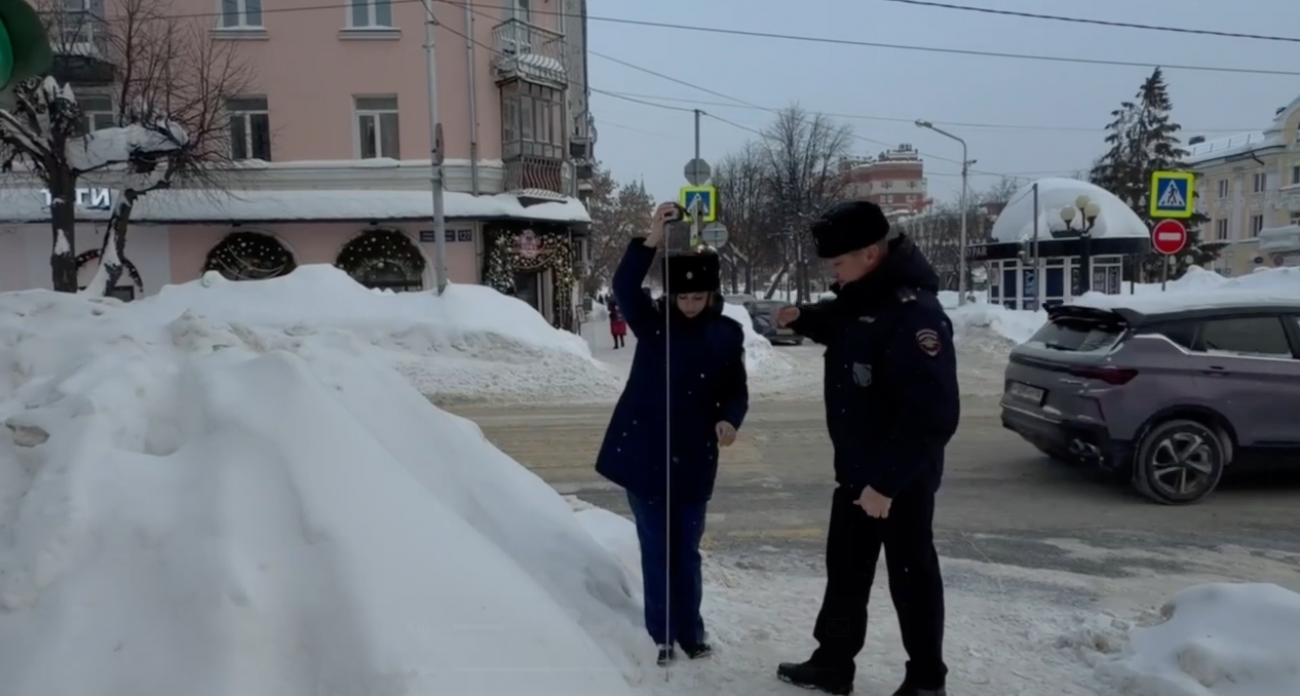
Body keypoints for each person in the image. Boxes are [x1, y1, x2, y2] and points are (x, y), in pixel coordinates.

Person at [772, 200, 960, 696]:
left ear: (871, 254)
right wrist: (804, 318)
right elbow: (844, 323)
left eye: (838, 263)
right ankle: (833, 663)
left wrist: (886, 483)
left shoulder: (914, 315)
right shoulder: (865, 299)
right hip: (857, 472)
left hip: (900, 482)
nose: (833, 271)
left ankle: (925, 680)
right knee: (846, 576)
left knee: (911, 579)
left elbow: (934, 417)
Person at [594, 201, 750, 667]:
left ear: (710, 294)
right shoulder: (653, 325)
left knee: (687, 553)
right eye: (681, 297)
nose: (687, 305)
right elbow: (624, 286)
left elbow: (735, 389)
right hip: (647, 456)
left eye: (696, 297)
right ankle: (660, 634)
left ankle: (691, 632)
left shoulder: (725, 334)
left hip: (696, 458)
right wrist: (650, 239)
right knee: (656, 552)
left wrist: (729, 418)